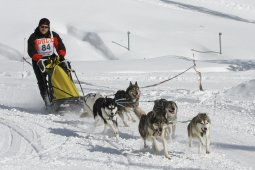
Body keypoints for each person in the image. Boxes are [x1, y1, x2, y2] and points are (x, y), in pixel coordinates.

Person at [27, 18, 67, 107]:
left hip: (51, 60)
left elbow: (60, 46)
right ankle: (47, 102)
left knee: (59, 76)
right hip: (38, 61)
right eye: (42, 26)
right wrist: (39, 58)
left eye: (46, 27)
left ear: (48, 27)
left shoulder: (53, 35)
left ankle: (62, 96)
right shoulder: (33, 37)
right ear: (39, 26)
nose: (44, 29)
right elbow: (31, 51)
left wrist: (61, 55)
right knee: (42, 82)